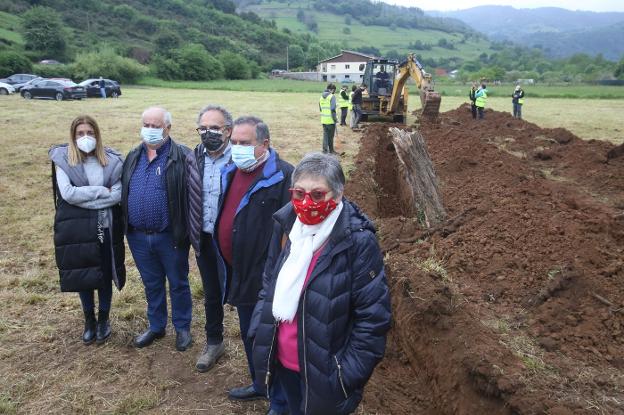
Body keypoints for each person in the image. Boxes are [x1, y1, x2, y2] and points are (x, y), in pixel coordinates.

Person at [250, 152, 392, 415]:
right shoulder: (287, 226)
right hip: (284, 361)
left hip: (326, 376)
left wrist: (343, 376)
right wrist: (260, 327)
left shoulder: (357, 242)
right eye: (299, 193)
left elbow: (373, 318)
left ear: (337, 196)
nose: (306, 202)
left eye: (317, 194)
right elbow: (269, 281)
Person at [214, 116, 293, 414]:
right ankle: (260, 384)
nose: (237, 148)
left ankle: (279, 398)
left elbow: (290, 231)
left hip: (266, 276)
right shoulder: (231, 171)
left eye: (244, 143)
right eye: (233, 142)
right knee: (249, 332)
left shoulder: (284, 176)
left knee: (271, 339)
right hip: (238, 271)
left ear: (264, 144)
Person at [49, 115, 126, 345]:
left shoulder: (111, 161)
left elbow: (117, 195)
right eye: (80, 133)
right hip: (79, 229)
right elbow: (68, 194)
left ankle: (103, 319)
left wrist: (92, 196)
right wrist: (102, 191)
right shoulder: (64, 160)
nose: (85, 137)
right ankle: (89, 320)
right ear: (73, 136)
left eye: (90, 133)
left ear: (97, 135)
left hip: (105, 227)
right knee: (85, 273)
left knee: (104, 273)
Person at [121, 107, 193, 351]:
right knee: (151, 283)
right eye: (146, 125)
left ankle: (182, 327)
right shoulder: (133, 155)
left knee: (178, 282)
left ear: (168, 128)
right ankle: (156, 325)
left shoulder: (182, 156)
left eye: (156, 126)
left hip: (170, 236)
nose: (150, 130)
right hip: (138, 236)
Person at [186, 105, 233, 372]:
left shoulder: (238, 158)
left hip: (233, 241)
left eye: (214, 128)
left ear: (228, 130)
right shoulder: (193, 157)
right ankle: (214, 341)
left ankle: (259, 347)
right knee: (211, 294)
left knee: (244, 294)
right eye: (203, 128)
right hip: (204, 238)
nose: (208, 133)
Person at [320, 83, 338, 154]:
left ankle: (325, 151)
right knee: (330, 137)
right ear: (332, 89)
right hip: (330, 120)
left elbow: (320, 108)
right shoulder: (332, 96)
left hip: (324, 120)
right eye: (334, 90)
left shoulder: (321, 97)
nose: (334, 92)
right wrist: (335, 119)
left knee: (325, 136)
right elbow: (333, 109)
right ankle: (331, 151)